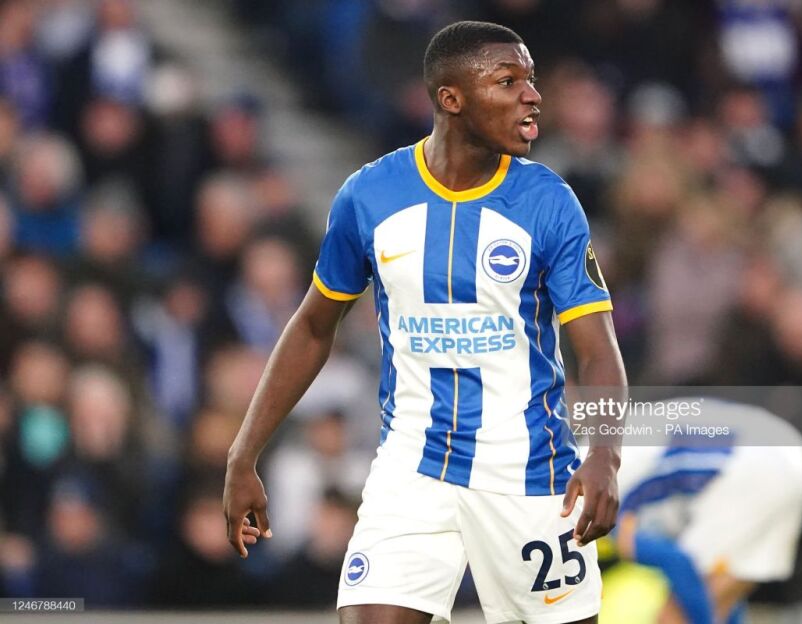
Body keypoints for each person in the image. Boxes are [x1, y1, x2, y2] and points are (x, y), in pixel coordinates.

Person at [223, 20, 627, 624]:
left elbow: (596, 350)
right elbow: (311, 328)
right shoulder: (369, 197)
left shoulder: (549, 202)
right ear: (451, 98)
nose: (532, 96)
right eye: (508, 81)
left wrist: (604, 456)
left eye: (531, 80)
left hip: (529, 473)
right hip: (413, 467)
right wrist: (244, 453)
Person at [607, 400, 802, 624]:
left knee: (676, 615)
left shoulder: (588, 494)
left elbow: (679, 563)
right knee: (719, 601)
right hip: (785, 452)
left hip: (751, 469)